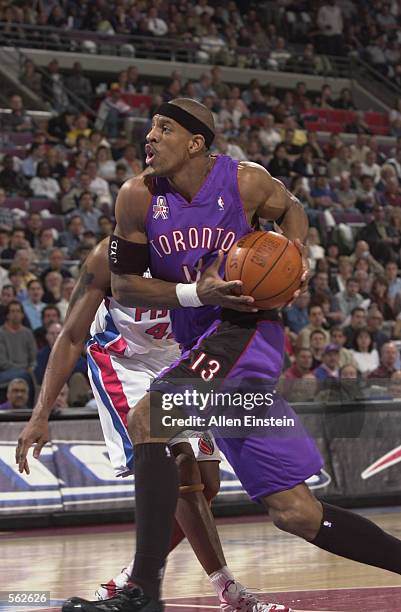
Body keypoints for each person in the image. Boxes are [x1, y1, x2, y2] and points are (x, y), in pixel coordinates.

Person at [62, 99, 401, 611]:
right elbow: (127, 288)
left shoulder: (246, 182)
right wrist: (198, 295)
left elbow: (292, 211)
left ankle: (142, 593)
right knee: (296, 513)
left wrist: (297, 253)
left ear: (196, 142)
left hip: (244, 332)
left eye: (164, 129)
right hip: (203, 342)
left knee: (149, 418)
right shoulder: (136, 197)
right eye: (150, 128)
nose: (149, 137)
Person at [15, 239, 283, 612]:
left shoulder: (200, 248)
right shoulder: (107, 257)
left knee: (207, 486)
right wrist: (40, 413)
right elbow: (72, 336)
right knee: (181, 467)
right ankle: (229, 589)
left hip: (177, 360)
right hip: (123, 362)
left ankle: (130, 579)